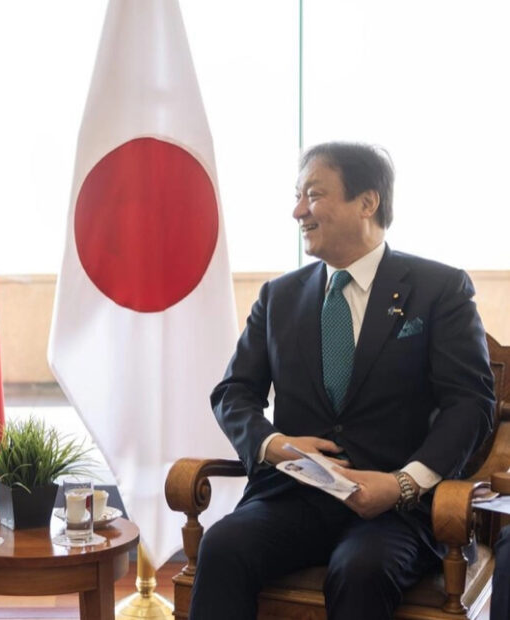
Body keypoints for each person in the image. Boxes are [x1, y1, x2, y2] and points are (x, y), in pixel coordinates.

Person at [189, 142, 495, 619]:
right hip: (292, 499)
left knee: (361, 570)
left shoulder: (440, 289)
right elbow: (234, 393)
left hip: (397, 509)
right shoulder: (278, 297)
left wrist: (404, 483)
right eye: (297, 196)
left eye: (313, 195)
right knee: (223, 546)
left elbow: (471, 403)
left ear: (367, 202)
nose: (297, 211)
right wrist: (273, 444)